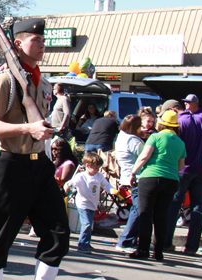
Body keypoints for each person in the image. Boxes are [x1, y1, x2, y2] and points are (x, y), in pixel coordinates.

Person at [0, 18, 69, 280]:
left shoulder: (43, 83)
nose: (42, 43)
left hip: (40, 166)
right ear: (17, 44)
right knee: (0, 236)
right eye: (35, 39)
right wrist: (27, 128)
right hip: (11, 165)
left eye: (43, 39)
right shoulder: (6, 81)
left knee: (59, 235)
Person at [128, 109, 186, 261]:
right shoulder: (180, 143)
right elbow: (181, 167)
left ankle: (143, 250)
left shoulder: (155, 136)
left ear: (162, 124)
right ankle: (158, 251)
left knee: (145, 214)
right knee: (161, 216)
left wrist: (133, 172)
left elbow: (144, 156)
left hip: (151, 177)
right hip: (171, 180)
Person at [165, 93, 202, 255]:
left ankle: (166, 242)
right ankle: (192, 247)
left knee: (174, 206)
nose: (187, 105)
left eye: (188, 103)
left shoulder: (181, 121)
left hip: (183, 169)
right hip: (201, 169)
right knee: (197, 208)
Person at [64, 152, 112, 254]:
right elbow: (72, 183)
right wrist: (68, 186)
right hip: (83, 203)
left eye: (98, 168)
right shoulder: (81, 176)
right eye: (94, 168)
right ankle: (82, 245)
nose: (96, 170)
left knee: (90, 224)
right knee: (86, 224)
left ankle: (86, 242)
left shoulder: (99, 176)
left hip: (92, 204)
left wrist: (112, 190)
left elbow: (106, 185)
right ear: (87, 166)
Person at [114, 115, 144, 252]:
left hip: (126, 177)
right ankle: (125, 241)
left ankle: (131, 240)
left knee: (136, 209)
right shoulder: (133, 141)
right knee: (138, 210)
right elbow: (145, 157)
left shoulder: (121, 137)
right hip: (136, 178)